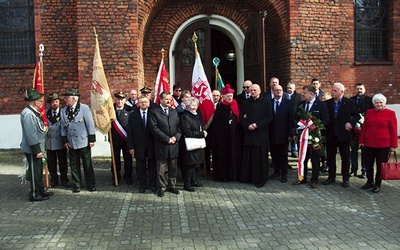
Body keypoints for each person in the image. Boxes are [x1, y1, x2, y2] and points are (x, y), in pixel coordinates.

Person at [323, 83, 360, 188]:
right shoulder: (327, 103)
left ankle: (345, 178)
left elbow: (356, 115)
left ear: (341, 92)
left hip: (343, 134)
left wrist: (351, 123)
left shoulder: (349, 103)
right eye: (332, 90)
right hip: (331, 135)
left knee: (345, 158)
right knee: (330, 157)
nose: (332, 92)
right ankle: (331, 176)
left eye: (335, 90)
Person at [359, 94, 398, 193]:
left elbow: (393, 130)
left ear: (384, 103)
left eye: (381, 102)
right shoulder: (369, 112)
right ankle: (369, 181)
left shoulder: (390, 113)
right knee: (368, 164)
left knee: (380, 165)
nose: (379, 104)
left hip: (383, 144)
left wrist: (394, 145)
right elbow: (364, 128)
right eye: (376, 102)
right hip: (369, 143)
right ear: (373, 103)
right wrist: (361, 141)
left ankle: (377, 184)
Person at [292, 86, 329, 188]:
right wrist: (295, 133)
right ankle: (302, 178)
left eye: (304, 93)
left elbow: (326, 120)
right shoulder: (301, 104)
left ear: (312, 94)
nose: (302, 95)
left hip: (314, 137)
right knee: (302, 158)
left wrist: (315, 126)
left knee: (315, 159)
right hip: (302, 137)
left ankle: (314, 179)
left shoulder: (321, 105)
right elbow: (296, 120)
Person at [60, 88, 97, 193]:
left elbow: (90, 124)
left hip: (83, 141)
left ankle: (91, 184)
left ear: (74, 99)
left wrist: (91, 139)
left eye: (67, 98)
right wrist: (65, 141)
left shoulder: (84, 108)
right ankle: (77, 184)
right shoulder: (64, 111)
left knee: (87, 164)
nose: (65, 100)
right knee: (74, 165)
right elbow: (63, 127)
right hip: (71, 142)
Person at [20, 88, 53, 201]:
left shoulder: (33, 113)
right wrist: (37, 150)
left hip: (38, 147)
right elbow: (31, 134)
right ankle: (34, 194)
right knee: (34, 172)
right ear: (35, 102)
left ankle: (40, 190)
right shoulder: (29, 114)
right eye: (40, 101)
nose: (41, 103)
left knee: (38, 171)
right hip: (33, 149)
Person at [240, 84, 273, 187]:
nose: (252, 92)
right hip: (249, 134)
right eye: (251, 90)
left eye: (254, 90)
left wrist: (257, 125)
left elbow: (269, 117)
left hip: (261, 135)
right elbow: (241, 117)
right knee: (249, 158)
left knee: (261, 159)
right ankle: (249, 178)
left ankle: (261, 179)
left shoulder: (266, 102)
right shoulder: (245, 103)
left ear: (260, 91)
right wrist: (247, 125)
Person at [149, 91, 181, 197]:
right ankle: (161, 187)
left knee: (173, 167)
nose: (168, 101)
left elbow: (179, 127)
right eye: (166, 99)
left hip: (173, 145)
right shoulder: (154, 112)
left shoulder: (174, 111)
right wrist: (167, 139)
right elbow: (154, 128)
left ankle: (172, 186)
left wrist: (175, 138)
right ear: (161, 99)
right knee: (161, 168)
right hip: (161, 144)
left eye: (170, 99)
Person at [211, 84, 242, 182]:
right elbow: (216, 124)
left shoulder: (236, 106)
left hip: (234, 137)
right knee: (223, 157)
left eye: (231, 96)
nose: (229, 98)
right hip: (223, 138)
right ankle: (223, 176)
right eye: (227, 96)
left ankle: (235, 175)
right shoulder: (220, 108)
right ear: (223, 97)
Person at [127, 95, 157, 193]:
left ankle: (152, 184)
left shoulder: (153, 113)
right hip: (138, 145)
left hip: (152, 145)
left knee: (152, 166)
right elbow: (130, 132)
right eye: (141, 102)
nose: (144, 104)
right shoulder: (133, 115)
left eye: (145, 102)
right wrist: (131, 147)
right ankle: (142, 185)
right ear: (138, 104)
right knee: (141, 167)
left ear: (149, 103)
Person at [269, 85, 295, 183]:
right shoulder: (269, 103)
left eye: (280, 90)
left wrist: (290, 134)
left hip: (284, 134)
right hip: (272, 134)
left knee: (283, 155)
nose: (278, 92)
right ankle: (276, 171)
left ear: (283, 91)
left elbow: (291, 120)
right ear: (273, 91)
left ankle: (284, 174)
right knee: (274, 154)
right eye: (276, 90)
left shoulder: (289, 103)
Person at [180, 97, 207, 192]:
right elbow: (186, 131)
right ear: (188, 106)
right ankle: (187, 184)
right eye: (192, 105)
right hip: (189, 144)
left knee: (194, 164)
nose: (194, 107)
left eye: (196, 105)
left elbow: (200, 126)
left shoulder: (197, 114)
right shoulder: (185, 116)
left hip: (197, 143)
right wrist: (201, 134)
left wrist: (203, 131)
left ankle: (193, 180)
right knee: (189, 165)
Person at [350, 83, 374, 178]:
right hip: (353, 130)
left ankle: (364, 170)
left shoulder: (369, 100)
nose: (359, 90)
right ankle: (353, 169)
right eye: (357, 89)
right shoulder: (351, 100)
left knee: (365, 152)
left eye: (361, 89)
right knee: (353, 151)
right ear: (355, 90)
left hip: (365, 130)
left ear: (364, 90)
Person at [46, 92, 69, 188]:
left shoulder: (63, 112)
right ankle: (54, 179)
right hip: (50, 142)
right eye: (52, 102)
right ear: (50, 103)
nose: (55, 103)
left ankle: (64, 179)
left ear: (59, 102)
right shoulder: (46, 113)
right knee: (51, 163)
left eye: (56, 101)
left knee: (63, 162)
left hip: (60, 141)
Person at [110, 92, 133, 185]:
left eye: (121, 99)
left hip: (126, 140)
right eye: (118, 99)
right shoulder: (110, 110)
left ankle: (128, 177)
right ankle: (116, 176)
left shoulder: (130, 110)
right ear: (115, 100)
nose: (119, 101)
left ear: (125, 100)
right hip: (114, 140)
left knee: (128, 160)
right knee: (115, 160)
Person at [286, 82, 301, 158]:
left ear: (294, 89)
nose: (289, 89)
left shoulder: (298, 96)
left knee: (294, 134)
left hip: (295, 118)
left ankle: (294, 151)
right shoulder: (284, 95)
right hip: (285, 119)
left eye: (290, 88)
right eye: (288, 88)